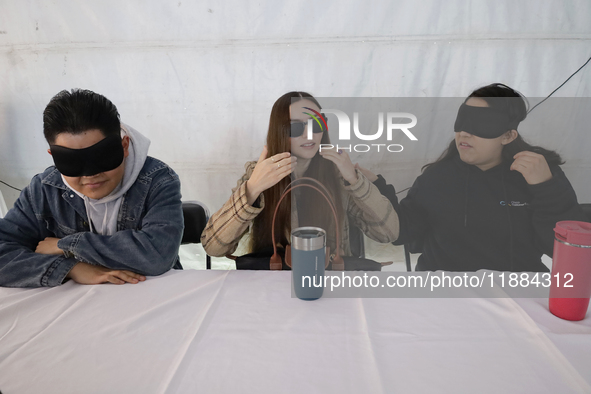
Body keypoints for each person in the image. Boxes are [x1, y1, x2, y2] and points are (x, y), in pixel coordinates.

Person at [359, 83, 586, 272]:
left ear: (508, 135)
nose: (464, 133)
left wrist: (546, 188)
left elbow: (565, 251)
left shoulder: (538, 175)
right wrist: (375, 190)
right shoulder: (437, 178)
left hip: (517, 296)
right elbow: (403, 232)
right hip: (445, 294)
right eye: (463, 121)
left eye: (481, 124)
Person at [0, 89, 184, 287]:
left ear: (124, 146)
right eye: (72, 162)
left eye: (101, 157)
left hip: (154, 292)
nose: (89, 175)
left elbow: (157, 255)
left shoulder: (157, 180)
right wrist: (72, 268)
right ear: (53, 156)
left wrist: (67, 245)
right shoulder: (44, 189)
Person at [201, 91, 398, 264]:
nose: (308, 134)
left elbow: (389, 233)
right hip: (269, 285)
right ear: (279, 130)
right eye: (296, 127)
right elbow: (213, 247)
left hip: (327, 284)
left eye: (317, 124)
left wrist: (355, 180)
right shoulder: (259, 173)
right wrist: (252, 189)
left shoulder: (339, 175)